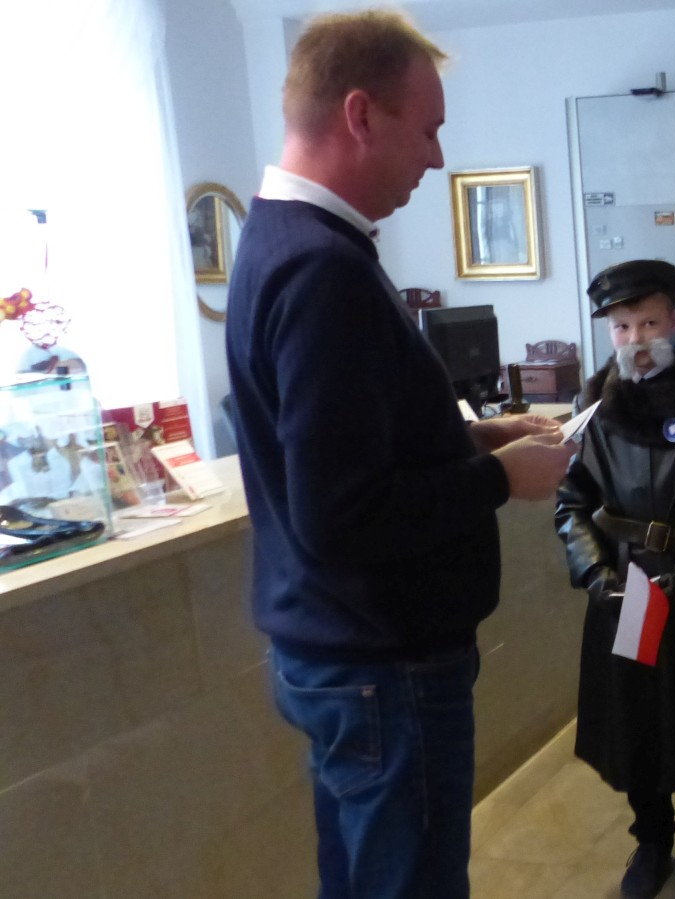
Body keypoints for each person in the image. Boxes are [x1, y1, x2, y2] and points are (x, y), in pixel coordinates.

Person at [224, 11, 577, 899]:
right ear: (360, 115)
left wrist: (475, 436)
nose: (437, 157)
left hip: (342, 653)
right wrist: (498, 477)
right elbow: (342, 513)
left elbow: (345, 447)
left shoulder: (282, 240)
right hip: (381, 665)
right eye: (428, 130)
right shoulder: (323, 271)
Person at [553, 259, 675, 899]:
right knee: (635, 718)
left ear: (674, 320)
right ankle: (651, 839)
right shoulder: (593, 404)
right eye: (622, 327)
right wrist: (594, 572)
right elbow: (571, 501)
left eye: (647, 322)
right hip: (624, 588)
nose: (635, 338)